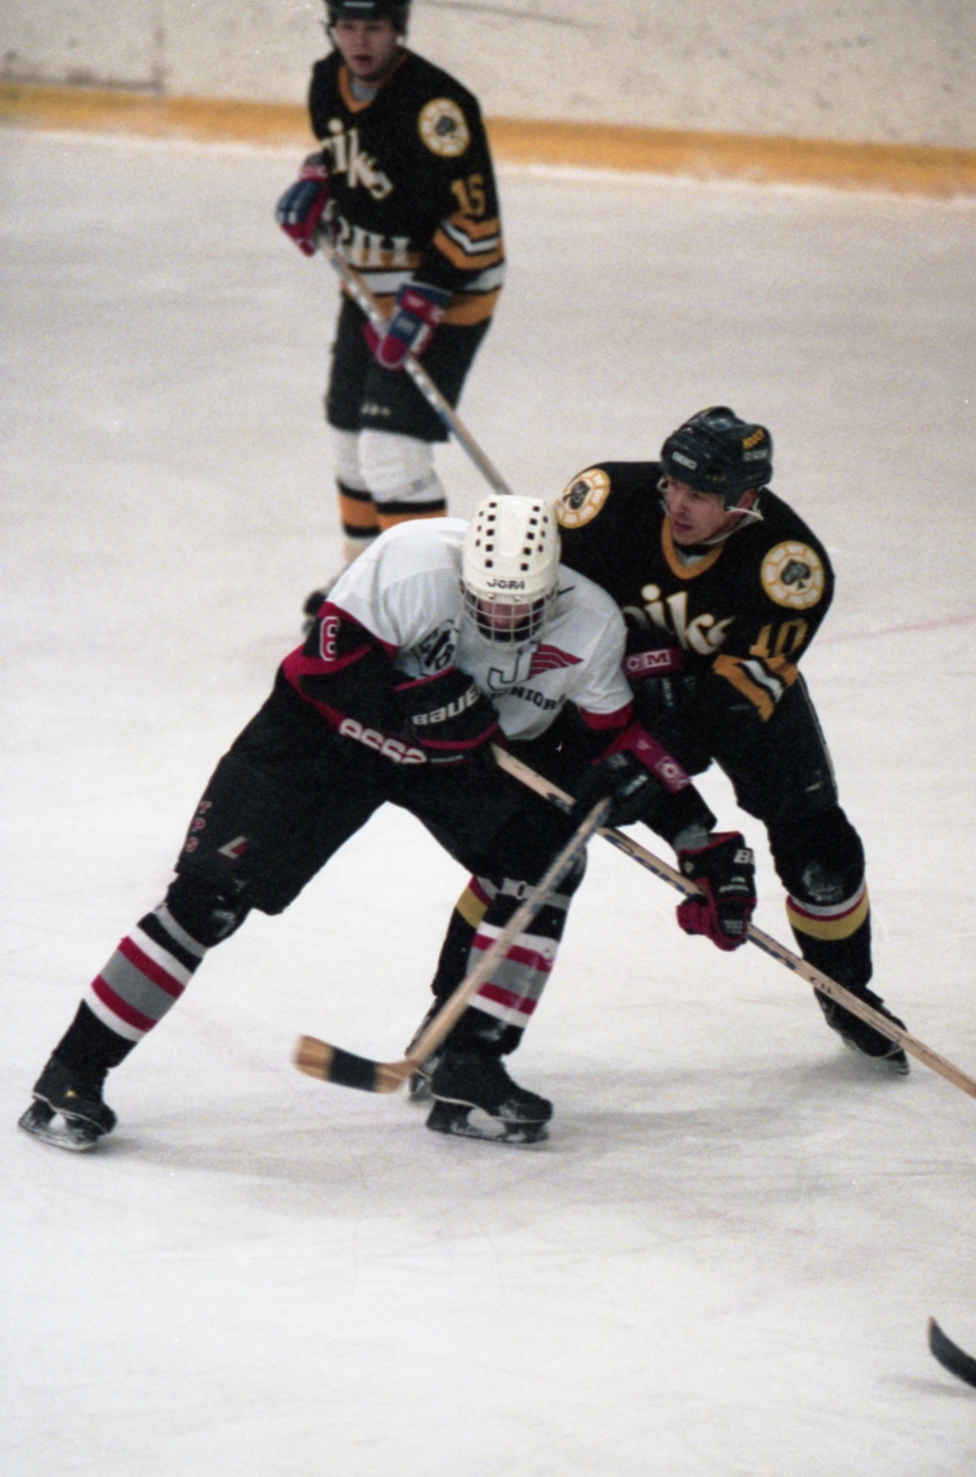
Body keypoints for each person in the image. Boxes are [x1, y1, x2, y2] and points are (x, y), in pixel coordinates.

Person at [19, 497, 756, 1154]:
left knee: (548, 856)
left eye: (522, 607)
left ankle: (468, 1064)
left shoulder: (590, 623)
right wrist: (419, 703)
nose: (503, 621)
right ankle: (73, 1072)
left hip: (457, 763)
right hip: (326, 738)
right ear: (465, 571)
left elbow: (621, 750)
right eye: (487, 602)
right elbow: (324, 669)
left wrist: (698, 839)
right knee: (208, 901)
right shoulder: (409, 562)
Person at [547, 405, 908, 1070]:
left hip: (723, 698)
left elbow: (734, 705)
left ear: (744, 499)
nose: (677, 505)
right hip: (608, 687)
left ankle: (845, 989)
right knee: (528, 835)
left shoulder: (788, 567)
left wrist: (653, 761)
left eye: (701, 495)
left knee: (820, 853)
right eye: (673, 485)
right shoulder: (604, 502)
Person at [275, 0, 505, 613]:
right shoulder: (326, 81)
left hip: (450, 292)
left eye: (373, 27)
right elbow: (347, 153)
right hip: (368, 288)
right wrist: (316, 181)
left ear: (397, 29)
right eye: (347, 26)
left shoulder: (437, 108)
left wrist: (425, 299)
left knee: (392, 455)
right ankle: (361, 588)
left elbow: (476, 222)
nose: (359, 41)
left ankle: (423, 604)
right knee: (349, 442)